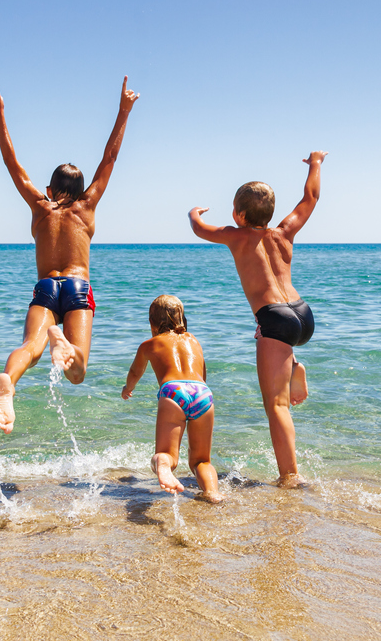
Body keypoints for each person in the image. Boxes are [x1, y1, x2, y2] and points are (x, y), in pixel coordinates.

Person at [0, 74, 139, 433]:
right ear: (83, 189)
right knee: (77, 371)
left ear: (50, 188)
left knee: (29, 348)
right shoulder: (87, 206)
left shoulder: (40, 207)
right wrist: (123, 110)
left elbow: (11, 163)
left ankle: (8, 378)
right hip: (77, 287)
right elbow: (111, 157)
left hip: (45, 288)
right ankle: (61, 341)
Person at [187, 152, 327, 487]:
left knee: (277, 406)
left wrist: (194, 213)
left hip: (275, 320)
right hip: (302, 313)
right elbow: (311, 197)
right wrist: (316, 164)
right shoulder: (285, 232)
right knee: (280, 372)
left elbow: (199, 228)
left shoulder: (236, 235)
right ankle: (294, 366)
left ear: (238, 214)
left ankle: (290, 475)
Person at [121, 295, 224, 503]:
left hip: (173, 392)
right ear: (182, 319)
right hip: (202, 393)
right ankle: (213, 493)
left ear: (152, 323)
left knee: (167, 454)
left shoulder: (149, 344)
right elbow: (202, 374)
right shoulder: (194, 341)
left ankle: (164, 466)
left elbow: (135, 372)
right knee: (202, 460)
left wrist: (127, 388)